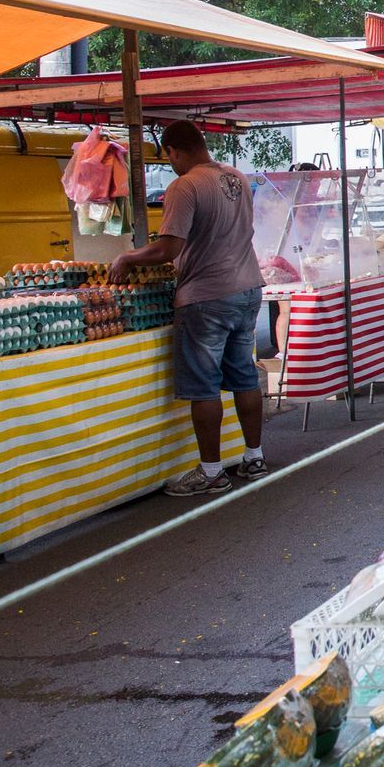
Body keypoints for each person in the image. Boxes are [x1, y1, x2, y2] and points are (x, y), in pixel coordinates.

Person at [110, 120, 268, 495]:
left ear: (173, 151)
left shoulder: (185, 185)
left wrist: (129, 258)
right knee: (244, 375)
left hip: (207, 296)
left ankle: (211, 471)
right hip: (247, 287)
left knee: (204, 386)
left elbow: (169, 248)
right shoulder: (237, 178)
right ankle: (254, 457)